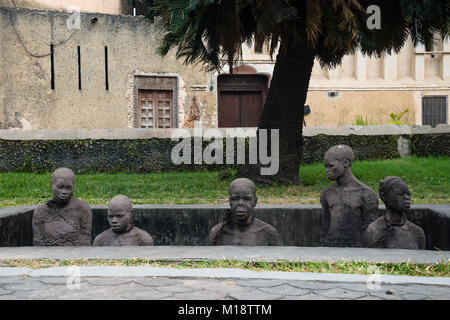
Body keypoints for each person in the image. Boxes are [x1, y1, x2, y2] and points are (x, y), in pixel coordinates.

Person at [320, 145, 379, 247]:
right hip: (330, 247)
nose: (327, 170)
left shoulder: (366, 194)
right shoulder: (327, 193)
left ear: (345, 163)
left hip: (356, 248)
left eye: (331, 166)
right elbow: (325, 226)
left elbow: (370, 230)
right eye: (326, 167)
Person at [209, 178, 280, 246]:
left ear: (255, 201)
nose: (241, 203)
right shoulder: (217, 232)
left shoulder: (268, 232)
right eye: (235, 198)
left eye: (247, 199)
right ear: (230, 201)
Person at [33, 167, 92, 246]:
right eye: (60, 187)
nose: (64, 192)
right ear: (52, 185)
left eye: (68, 188)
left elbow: (85, 239)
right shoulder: (40, 211)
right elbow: (38, 241)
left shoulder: (82, 208)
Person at [364, 176, 425, 249]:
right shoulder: (374, 231)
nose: (407, 198)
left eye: (408, 194)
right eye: (400, 194)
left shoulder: (417, 232)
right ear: (383, 196)